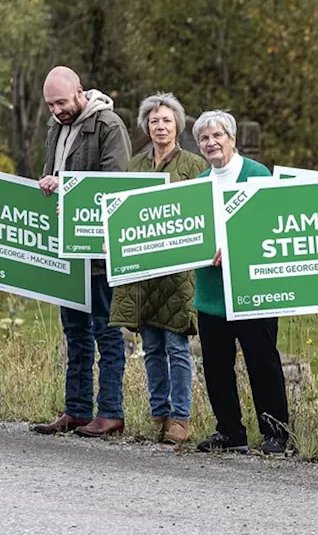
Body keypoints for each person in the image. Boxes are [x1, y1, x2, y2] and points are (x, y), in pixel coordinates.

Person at [31, 66, 132, 438]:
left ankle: (110, 412)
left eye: (61, 102)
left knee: (105, 330)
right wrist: (47, 183)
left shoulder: (109, 125)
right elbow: (53, 173)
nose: (56, 110)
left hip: (99, 250)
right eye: (50, 105)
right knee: (73, 331)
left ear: (80, 92)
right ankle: (75, 410)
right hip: (66, 252)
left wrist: (69, 186)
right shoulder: (56, 126)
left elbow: (117, 184)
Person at [109, 93, 209, 444]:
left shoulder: (194, 166)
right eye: (154, 121)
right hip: (142, 272)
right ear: (146, 127)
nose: (161, 126)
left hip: (178, 273)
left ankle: (181, 418)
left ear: (178, 125)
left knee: (177, 347)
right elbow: (119, 211)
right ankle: (159, 413)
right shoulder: (134, 166)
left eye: (167, 120)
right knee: (150, 347)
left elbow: (204, 213)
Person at [192, 110, 292, 455]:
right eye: (204, 138)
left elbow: (271, 225)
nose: (211, 142)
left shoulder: (256, 174)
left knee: (261, 361)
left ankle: (276, 432)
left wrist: (235, 247)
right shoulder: (199, 183)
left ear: (232, 138)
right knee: (217, 366)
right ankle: (230, 432)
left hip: (253, 288)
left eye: (217, 135)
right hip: (211, 290)